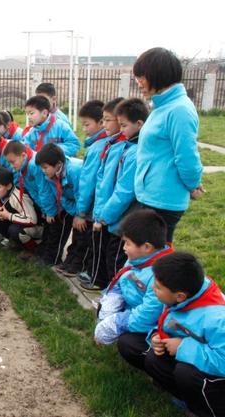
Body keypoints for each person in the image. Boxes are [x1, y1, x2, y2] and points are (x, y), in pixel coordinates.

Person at [118, 252, 225, 417]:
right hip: (191, 354)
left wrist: (182, 347)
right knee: (145, 353)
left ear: (180, 296)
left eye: (158, 287)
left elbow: (222, 361)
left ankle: (208, 411)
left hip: (218, 372)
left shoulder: (217, 319)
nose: (153, 288)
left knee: (185, 373)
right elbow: (166, 321)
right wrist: (155, 336)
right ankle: (189, 399)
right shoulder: (182, 294)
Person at [133, 47, 204, 242]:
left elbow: (187, 155)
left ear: (157, 75)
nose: (138, 82)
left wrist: (192, 184)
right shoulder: (163, 106)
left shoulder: (179, 109)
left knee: (154, 260)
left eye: (141, 77)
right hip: (151, 196)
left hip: (162, 201)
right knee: (146, 258)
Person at [94, 209, 172, 345]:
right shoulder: (137, 258)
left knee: (127, 343)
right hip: (131, 307)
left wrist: (118, 322)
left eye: (127, 243)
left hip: (147, 320)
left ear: (147, 247)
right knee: (104, 307)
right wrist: (112, 301)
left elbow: (149, 313)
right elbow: (121, 280)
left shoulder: (162, 275)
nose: (124, 248)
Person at [58, 100, 108, 277]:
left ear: (101, 122)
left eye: (87, 124)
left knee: (85, 236)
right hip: (91, 204)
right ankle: (73, 262)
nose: (84, 129)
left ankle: (80, 266)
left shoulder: (97, 148)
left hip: (91, 205)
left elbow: (88, 182)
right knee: (81, 236)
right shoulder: (98, 144)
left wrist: (80, 212)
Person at [79, 98, 125, 289]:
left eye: (108, 120)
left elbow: (115, 187)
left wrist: (95, 214)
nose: (104, 124)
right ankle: (99, 278)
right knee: (101, 247)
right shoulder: (111, 144)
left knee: (106, 250)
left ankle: (99, 280)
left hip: (109, 211)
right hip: (103, 208)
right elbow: (100, 180)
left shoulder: (119, 148)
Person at [35, 143, 82, 266]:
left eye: (45, 167)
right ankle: (61, 260)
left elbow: (82, 195)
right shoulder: (51, 174)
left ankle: (76, 264)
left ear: (59, 164)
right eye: (41, 167)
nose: (43, 171)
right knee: (60, 224)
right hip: (70, 203)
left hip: (85, 207)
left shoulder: (75, 171)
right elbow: (59, 194)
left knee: (81, 235)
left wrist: (79, 214)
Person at [0, 167, 41, 252]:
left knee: (15, 230)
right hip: (18, 221)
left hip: (36, 227)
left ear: (8, 186)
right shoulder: (1, 194)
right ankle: (14, 242)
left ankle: (33, 249)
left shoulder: (19, 196)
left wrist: (8, 216)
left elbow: (32, 220)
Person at [3, 140, 47, 215]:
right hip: (42, 203)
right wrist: (43, 210)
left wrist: (49, 211)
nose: (11, 166)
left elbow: (44, 190)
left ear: (23, 155)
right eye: (9, 163)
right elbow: (32, 191)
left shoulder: (34, 166)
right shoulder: (22, 166)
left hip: (53, 204)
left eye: (12, 162)